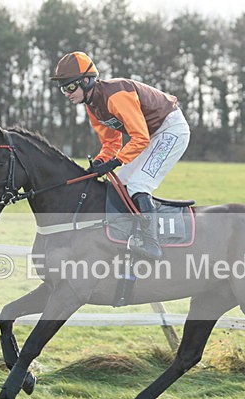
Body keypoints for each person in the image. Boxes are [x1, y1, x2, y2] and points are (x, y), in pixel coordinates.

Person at [51, 51, 190, 260]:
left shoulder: (117, 95)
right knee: (120, 182)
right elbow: (111, 143)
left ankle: (152, 245)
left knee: (138, 185)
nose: (67, 94)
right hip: (152, 135)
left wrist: (116, 161)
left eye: (70, 87)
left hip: (171, 130)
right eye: (63, 89)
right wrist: (100, 162)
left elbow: (140, 137)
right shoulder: (92, 107)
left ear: (87, 81)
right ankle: (131, 234)